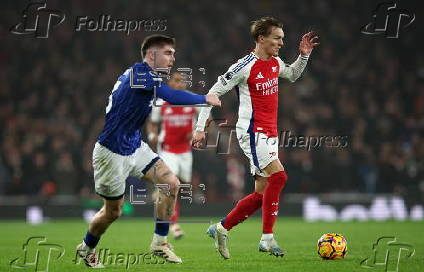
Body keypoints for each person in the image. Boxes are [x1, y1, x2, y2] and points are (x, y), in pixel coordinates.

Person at [76, 34, 220, 267]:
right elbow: (171, 96)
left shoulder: (144, 76)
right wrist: (205, 98)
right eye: (168, 53)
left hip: (134, 146)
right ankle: (86, 246)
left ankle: (160, 243)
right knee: (113, 212)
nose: (173, 58)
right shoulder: (140, 74)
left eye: (173, 53)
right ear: (152, 55)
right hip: (111, 153)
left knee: (171, 183)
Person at [193, 17, 319, 259]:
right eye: (277, 38)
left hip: (270, 133)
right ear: (261, 38)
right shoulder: (244, 66)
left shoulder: (274, 62)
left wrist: (303, 56)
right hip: (252, 132)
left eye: (282, 38)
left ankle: (220, 228)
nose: (282, 43)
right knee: (280, 176)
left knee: (262, 194)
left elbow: (292, 75)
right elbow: (212, 93)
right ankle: (267, 239)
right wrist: (200, 129)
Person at [147, 71, 198, 240]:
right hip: (167, 150)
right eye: (176, 81)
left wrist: (198, 132)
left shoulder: (194, 102)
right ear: (170, 83)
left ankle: (160, 198)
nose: (179, 84)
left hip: (185, 151)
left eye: (182, 81)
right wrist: (152, 136)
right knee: (172, 184)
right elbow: (152, 125)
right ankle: (173, 224)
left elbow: (207, 120)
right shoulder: (160, 103)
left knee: (181, 187)